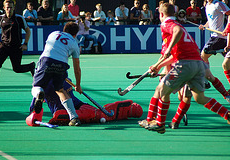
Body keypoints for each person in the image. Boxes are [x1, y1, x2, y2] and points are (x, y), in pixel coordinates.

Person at [140, 3, 230, 134]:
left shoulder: (166, 24)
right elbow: (175, 55)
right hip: (198, 64)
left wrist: (168, 50)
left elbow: (177, 31)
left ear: (161, 14)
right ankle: (227, 114)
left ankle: (159, 123)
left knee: (162, 91)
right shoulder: (179, 25)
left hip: (185, 65)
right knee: (200, 98)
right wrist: (157, 66)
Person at [26, 77, 143, 126]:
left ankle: (129, 110)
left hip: (80, 105)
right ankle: (125, 110)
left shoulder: (66, 78)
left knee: (96, 113)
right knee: (95, 115)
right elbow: (35, 107)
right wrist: (32, 116)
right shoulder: (43, 87)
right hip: (62, 112)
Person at [30, 22, 82, 126]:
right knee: (60, 90)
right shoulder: (74, 44)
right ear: (75, 34)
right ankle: (74, 118)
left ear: (64, 29)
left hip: (46, 61)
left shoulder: (53, 34)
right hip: (61, 64)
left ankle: (40, 94)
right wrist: (78, 85)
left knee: (37, 86)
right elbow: (77, 69)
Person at [0, 0, 35, 92]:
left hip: (16, 47)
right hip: (4, 46)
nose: (9, 9)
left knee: (17, 69)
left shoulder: (19, 18)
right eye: (7, 7)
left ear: (14, 8)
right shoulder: (0, 18)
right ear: (4, 8)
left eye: (11, 7)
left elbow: (28, 31)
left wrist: (25, 44)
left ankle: (31, 66)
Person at [199, 0, 230, 101]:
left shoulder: (218, 4)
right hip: (216, 36)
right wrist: (205, 26)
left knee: (203, 55)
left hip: (219, 37)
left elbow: (229, 14)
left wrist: (227, 29)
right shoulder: (207, 5)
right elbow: (211, 20)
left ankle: (206, 79)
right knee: (227, 64)